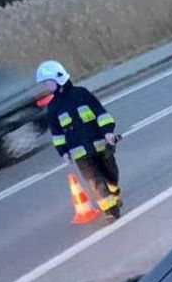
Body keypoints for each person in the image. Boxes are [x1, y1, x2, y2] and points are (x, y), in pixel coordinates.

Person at [37, 60, 123, 220]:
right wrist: (63, 152)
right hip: (79, 152)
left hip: (100, 144)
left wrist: (108, 132)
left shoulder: (81, 94)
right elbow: (57, 133)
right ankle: (111, 211)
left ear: (59, 78)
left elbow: (100, 113)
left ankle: (115, 192)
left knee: (111, 173)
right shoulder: (53, 107)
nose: (47, 86)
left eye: (48, 82)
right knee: (94, 181)